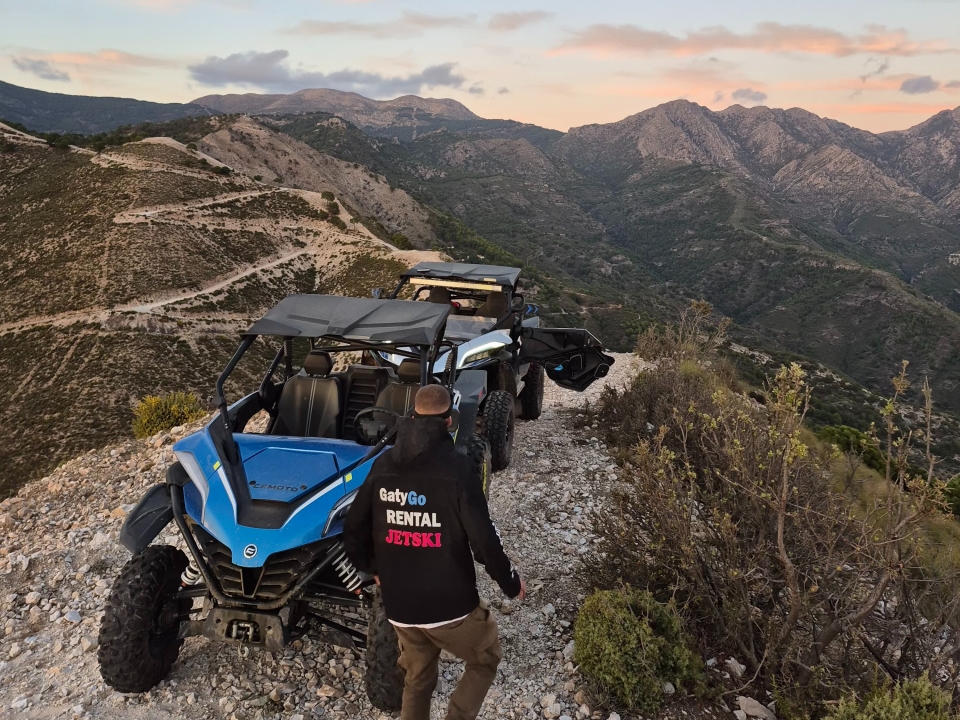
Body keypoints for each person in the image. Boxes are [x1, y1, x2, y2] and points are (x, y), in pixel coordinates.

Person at [343, 384, 525, 720]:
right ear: (448, 422)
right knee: (486, 657)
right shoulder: (457, 470)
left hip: (400, 608)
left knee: (418, 677)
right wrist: (510, 583)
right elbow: (483, 540)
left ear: (411, 416)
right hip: (449, 607)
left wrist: (372, 570)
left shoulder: (382, 465)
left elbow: (352, 529)